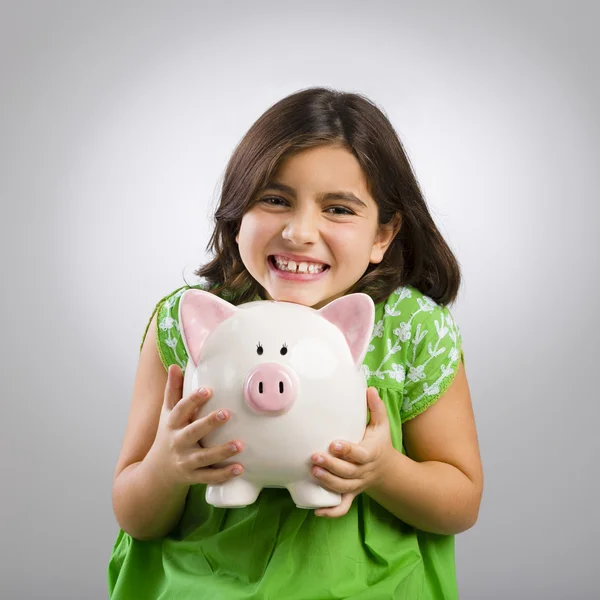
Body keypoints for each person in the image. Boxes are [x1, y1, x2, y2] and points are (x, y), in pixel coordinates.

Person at [107, 87, 483, 599]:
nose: (300, 231)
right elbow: (133, 513)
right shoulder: (186, 323)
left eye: (339, 209)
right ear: (237, 213)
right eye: (275, 200)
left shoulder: (413, 330)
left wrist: (382, 470)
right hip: (206, 582)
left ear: (383, 235)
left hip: (366, 587)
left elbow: (460, 503)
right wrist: (168, 468)